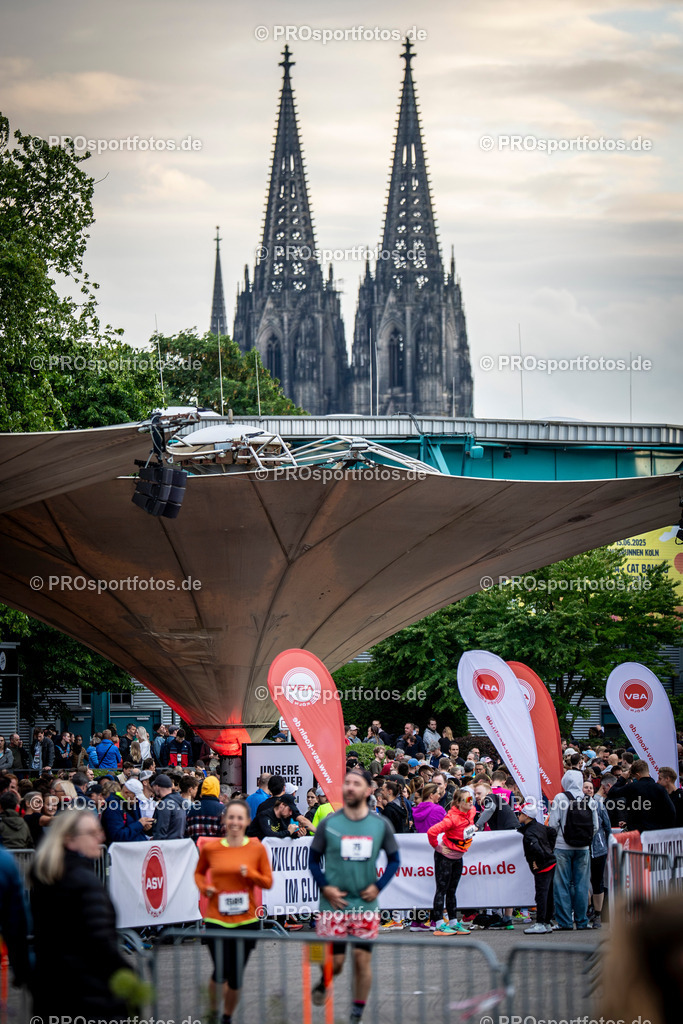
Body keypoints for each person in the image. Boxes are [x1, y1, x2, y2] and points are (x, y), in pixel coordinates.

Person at [30, 809, 145, 1021]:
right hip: (88, 993)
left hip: (52, 989)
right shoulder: (83, 881)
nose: (100, 837)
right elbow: (100, 942)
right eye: (91, 833)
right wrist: (129, 977)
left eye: (99, 831)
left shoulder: (48, 876)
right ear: (70, 839)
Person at [308, 768, 400, 1021]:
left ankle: (357, 1011)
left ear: (368, 790)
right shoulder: (329, 823)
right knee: (336, 964)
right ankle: (324, 981)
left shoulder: (380, 824)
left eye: (356, 783)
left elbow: (394, 860)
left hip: (365, 905)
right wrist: (325, 886)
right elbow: (313, 860)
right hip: (333, 905)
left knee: (361, 961)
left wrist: (378, 886)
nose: (349, 787)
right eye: (346, 782)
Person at [195, 799, 273, 1024]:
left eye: (240, 818)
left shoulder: (256, 848)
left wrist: (250, 874)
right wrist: (205, 888)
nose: (235, 822)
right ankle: (213, 1013)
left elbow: (267, 882)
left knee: (236, 976)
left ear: (248, 821)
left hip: (245, 921)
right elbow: (199, 874)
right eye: (231, 817)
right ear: (224, 819)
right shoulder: (212, 848)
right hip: (217, 920)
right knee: (220, 972)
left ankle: (227, 1017)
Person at [548, 769, 598, 931]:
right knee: (582, 884)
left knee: (561, 884)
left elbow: (553, 824)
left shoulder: (560, 798)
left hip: (562, 847)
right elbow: (595, 827)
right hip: (583, 847)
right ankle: (582, 921)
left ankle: (565, 922)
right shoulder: (589, 800)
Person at [426, 788, 476, 935]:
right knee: (441, 890)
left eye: (471, 798)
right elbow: (431, 832)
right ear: (459, 803)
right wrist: (438, 848)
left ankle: (453, 922)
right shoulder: (451, 819)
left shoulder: (472, 811)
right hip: (444, 858)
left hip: (458, 858)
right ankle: (439, 924)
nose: (471, 801)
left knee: (452, 891)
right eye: (467, 799)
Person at [517, 798, 557, 934]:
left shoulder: (529, 832)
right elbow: (552, 832)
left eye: (520, 814)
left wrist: (537, 861)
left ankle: (540, 923)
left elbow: (537, 849)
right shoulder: (538, 826)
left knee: (541, 894)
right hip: (550, 863)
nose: (518, 816)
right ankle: (546, 922)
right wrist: (550, 850)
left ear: (526, 816)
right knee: (548, 894)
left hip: (544, 866)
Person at [622, 760, 676, 832]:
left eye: (660, 779)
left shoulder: (677, 795)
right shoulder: (660, 792)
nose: (657, 781)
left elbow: (671, 813)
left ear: (667, 779)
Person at [586, 778, 611, 929]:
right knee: (581, 881)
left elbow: (607, 827)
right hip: (581, 849)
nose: (589, 789)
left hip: (598, 850)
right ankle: (588, 909)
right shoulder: (573, 805)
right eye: (586, 787)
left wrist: (603, 843)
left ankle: (598, 913)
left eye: (590, 788)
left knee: (597, 882)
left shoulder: (599, 805)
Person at [186, 775, 225, 841]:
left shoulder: (192, 809)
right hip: (215, 849)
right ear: (217, 789)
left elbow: (187, 834)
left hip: (196, 849)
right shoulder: (223, 810)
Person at [151, 773, 187, 839]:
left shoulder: (165, 804)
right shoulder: (178, 801)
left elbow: (160, 831)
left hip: (167, 846)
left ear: (157, 787)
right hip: (179, 844)